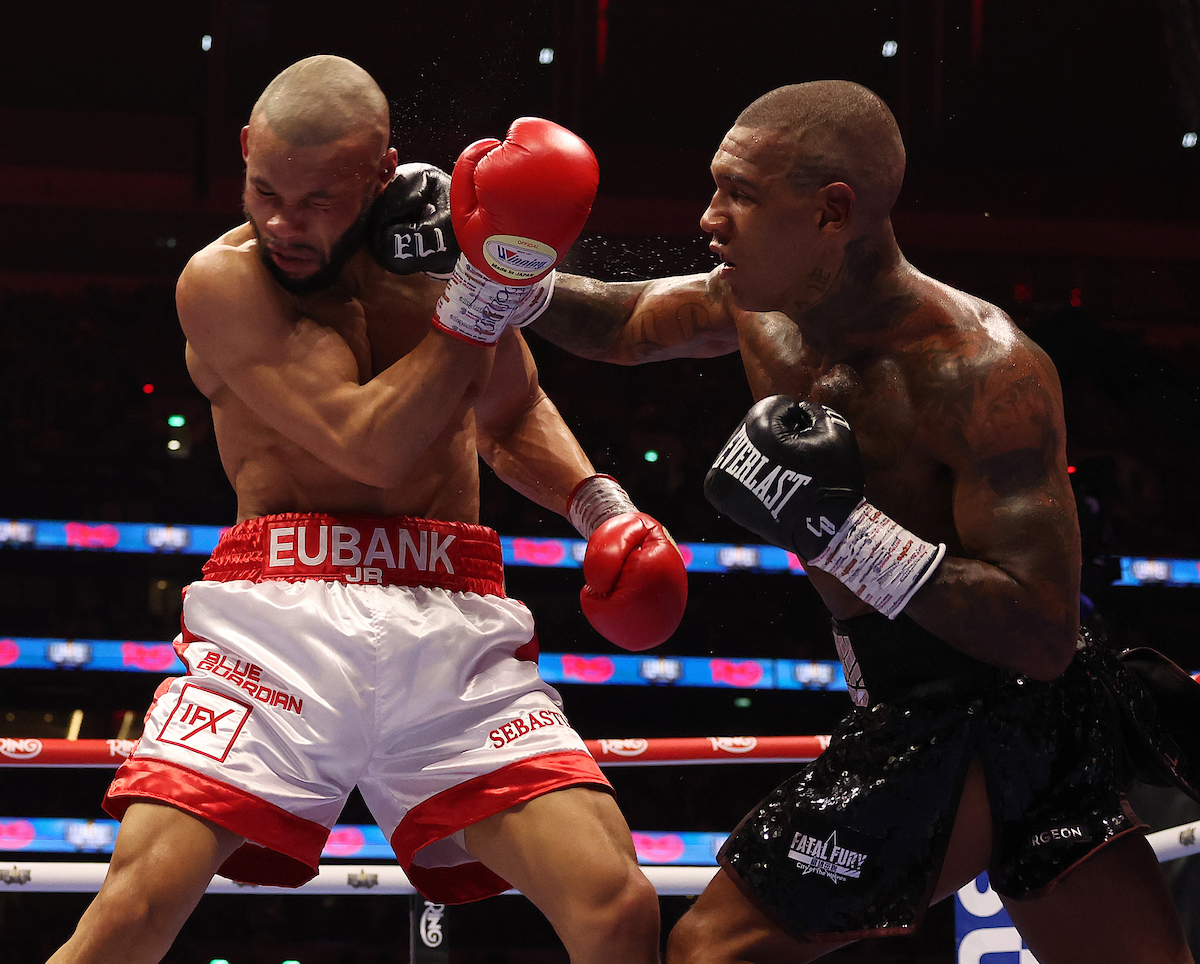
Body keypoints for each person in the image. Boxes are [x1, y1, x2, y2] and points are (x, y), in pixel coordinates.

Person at [529, 81, 1195, 963]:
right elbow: (626, 323)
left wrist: (843, 533)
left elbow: (1039, 632)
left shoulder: (981, 368)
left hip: (994, 710)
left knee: (709, 954)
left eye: (742, 194)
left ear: (832, 212)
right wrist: (492, 276)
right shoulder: (759, 302)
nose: (709, 217)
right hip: (927, 702)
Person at [48, 54, 688, 964]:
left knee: (615, 907)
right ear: (242, 151)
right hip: (277, 623)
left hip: (450, 618)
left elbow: (506, 411)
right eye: (263, 188)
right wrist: (482, 291)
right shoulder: (222, 281)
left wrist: (602, 507)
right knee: (133, 911)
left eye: (315, 201)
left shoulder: (440, 267)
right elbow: (367, 445)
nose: (281, 222)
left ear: (381, 172)